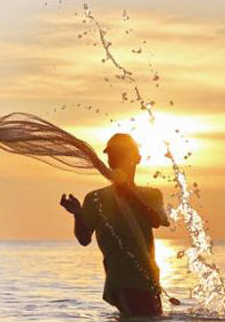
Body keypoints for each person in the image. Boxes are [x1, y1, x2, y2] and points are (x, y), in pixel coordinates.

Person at [60, 133, 169, 318]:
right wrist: (78, 215)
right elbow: (84, 239)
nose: (115, 160)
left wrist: (130, 195)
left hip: (150, 280)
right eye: (112, 156)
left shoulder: (151, 194)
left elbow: (156, 221)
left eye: (121, 154)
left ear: (138, 159)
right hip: (121, 280)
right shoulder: (95, 198)